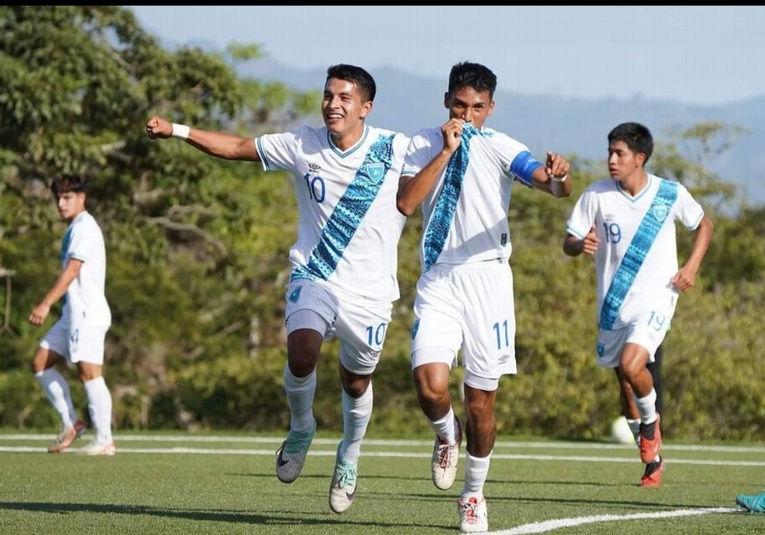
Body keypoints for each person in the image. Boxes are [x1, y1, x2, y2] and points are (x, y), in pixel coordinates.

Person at [145, 64, 409, 514]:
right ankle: (302, 426)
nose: (333, 104)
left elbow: (451, 161)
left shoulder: (395, 147)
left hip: (370, 294)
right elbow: (238, 147)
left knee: (357, 380)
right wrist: (177, 130)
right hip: (314, 275)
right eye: (328, 95)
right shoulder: (302, 143)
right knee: (301, 351)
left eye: (345, 98)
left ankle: (349, 453)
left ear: (366, 107)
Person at [396, 61, 573, 533]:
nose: (468, 115)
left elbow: (549, 184)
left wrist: (558, 176)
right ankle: (444, 434)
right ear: (446, 102)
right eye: (460, 105)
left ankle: (472, 494)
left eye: (478, 107)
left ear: (491, 108)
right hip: (439, 278)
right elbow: (406, 203)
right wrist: (447, 152)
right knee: (430, 386)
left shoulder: (501, 147)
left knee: (480, 402)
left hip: (489, 284)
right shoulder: (422, 142)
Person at [563, 121, 713, 488]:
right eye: (610, 152)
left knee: (634, 365)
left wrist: (690, 267)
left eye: (620, 154)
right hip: (613, 304)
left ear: (640, 158)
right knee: (625, 387)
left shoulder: (668, 193)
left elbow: (704, 225)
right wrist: (578, 245)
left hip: (657, 297)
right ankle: (652, 459)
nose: (611, 160)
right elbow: (569, 241)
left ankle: (651, 424)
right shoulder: (596, 196)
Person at [29, 173, 116, 456]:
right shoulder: (74, 227)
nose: (61, 204)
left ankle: (105, 440)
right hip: (72, 315)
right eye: (58, 199)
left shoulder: (85, 227)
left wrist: (44, 304)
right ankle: (71, 424)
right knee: (41, 362)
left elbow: (72, 271)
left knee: (89, 373)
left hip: (88, 314)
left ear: (82, 198)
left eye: (67, 198)